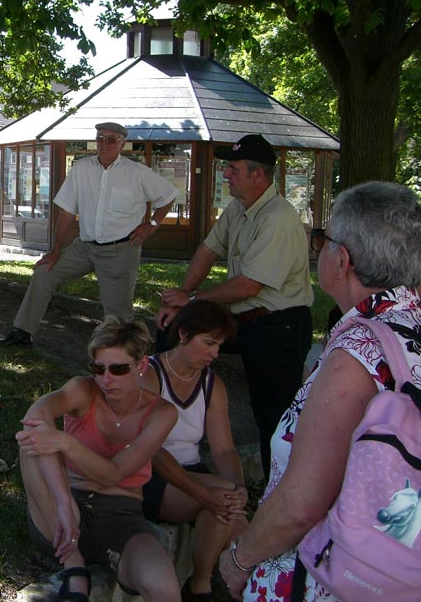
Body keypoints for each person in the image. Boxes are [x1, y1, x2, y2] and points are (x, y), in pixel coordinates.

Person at [218, 181, 421, 601]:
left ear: (342, 260)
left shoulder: (358, 353)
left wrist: (239, 560)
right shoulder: (411, 327)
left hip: (324, 577)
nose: (320, 251)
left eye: (323, 240)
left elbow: (302, 505)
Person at [155, 134, 313, 476]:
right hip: (244, 320)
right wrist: (183, 299)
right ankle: (166, 436)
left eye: (234, 168)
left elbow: (249, 285)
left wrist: (192, 300)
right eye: (227, 167)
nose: (226, 174)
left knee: (273, 414)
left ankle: (279, 489)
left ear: (259, 175)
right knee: (170, 333)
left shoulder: (278, 217)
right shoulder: (239, 209)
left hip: (279, 325)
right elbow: (208, 250)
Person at [16, 316, 181, 602]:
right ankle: (73, 565)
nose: (106, 379)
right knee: (30, 440)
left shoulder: (161, 413)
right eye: (98, 368)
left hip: (122, 517)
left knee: (164, 586)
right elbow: (34, 416)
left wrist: (66, 442)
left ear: (141, 366)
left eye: (118, 369)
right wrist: (64, 502)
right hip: (62, 511)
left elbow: (113, 474)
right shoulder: (84, 390)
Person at [0, 122, 178, 347]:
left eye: (111, 139)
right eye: (100, 137)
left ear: (122, 143)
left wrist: (151, 224)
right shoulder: (81, 168)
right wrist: (55, 250)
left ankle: (128, 358)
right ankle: (22, 333)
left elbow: (168, 197)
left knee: (118, 315)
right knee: (44, 273)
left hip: (121, 250)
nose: (104, 143)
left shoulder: (137, 173)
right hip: (85, 246)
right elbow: (67, 212)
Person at [142, 300, 248, 602]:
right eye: (209, 343)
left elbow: (224, 450)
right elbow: (151, 450)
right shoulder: (149, 375)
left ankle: (207, 586)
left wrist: (239, 487)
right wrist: (205, 493)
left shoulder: (212, 384)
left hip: (196, 474)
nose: (215, 354)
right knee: (224, 503)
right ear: (184, 334)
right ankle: (202, 586)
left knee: (231, 509)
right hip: (151, 476)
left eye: (219, 345)